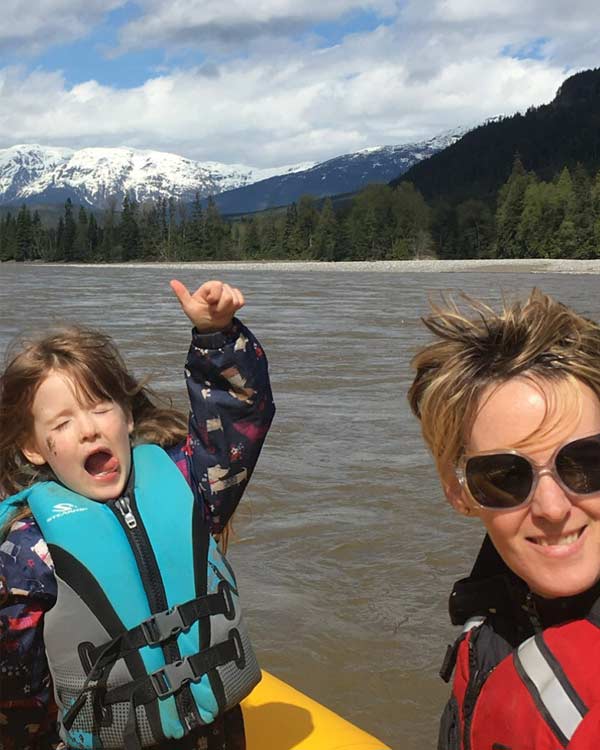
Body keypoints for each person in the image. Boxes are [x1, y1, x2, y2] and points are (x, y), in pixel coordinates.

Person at [0, 279, 275, 750]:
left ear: (127, 416)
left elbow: (240, 418)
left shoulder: (190, 482)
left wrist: (217, 336)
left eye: (99, 408)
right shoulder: (27, 550)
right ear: (33, 448)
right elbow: (16, 682)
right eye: (62, 423)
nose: (88, 430)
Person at [408, 288, 600, 750]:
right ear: (459, 491)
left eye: (586, 463)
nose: (552, 508)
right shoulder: (497, 612)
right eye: (505, 477)